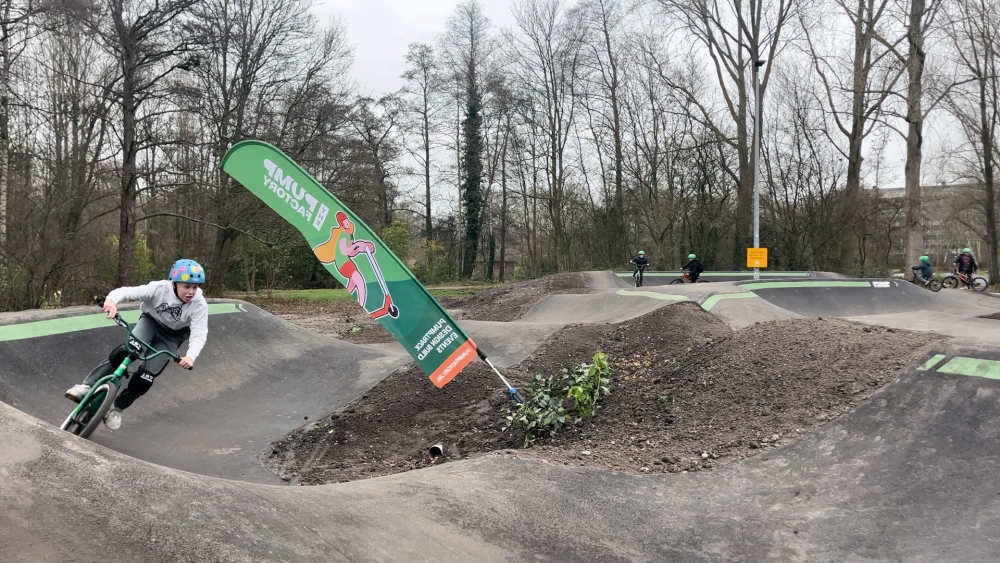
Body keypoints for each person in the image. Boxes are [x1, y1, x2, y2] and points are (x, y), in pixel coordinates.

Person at [64, 259, 209, 430]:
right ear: (174, 282)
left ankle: (116, 409)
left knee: (145, 378)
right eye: (187, 286)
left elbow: (199, 333)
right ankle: (86, 386)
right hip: (150, 322)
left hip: (172, 337)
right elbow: (128, 292)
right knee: (127, 351)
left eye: (195, 287)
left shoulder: (199, 304)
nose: (191, 292)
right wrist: (111, 301)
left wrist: (191, 356)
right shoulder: (159, 288)